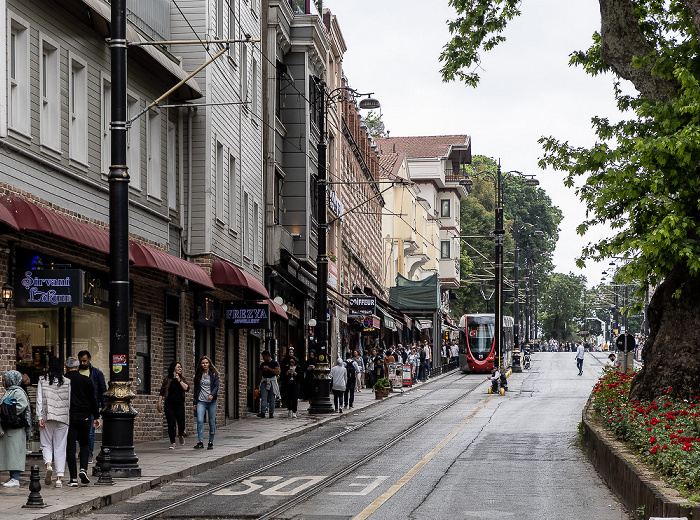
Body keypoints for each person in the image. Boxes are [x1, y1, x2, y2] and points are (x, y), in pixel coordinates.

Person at [64, 357, 100, 486]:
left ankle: (73, 478)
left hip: (69, 417)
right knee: (84, 444)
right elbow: (92, 399)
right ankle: (83, 469)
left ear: (66, 368)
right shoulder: (86, 380)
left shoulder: (63, 381)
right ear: (78, 367)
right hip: (85, 415)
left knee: (70, 447)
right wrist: (96, 416)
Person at [36, 356, 71, 487]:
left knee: (46, 444)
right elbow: (68, 401)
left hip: (48, 416)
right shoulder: (67, 381)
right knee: (60, 447)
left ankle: (49, 464)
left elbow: (40, 400)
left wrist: (40, 417)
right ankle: (59, 479)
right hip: (62, 418)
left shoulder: (42, 380)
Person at [0, 370, 31, 487]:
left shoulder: (18, 392)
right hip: (10, 427)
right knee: (10, 453)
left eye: (4, 380)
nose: (3, 382)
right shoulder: (9, 392)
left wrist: (6, 411)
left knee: (15, 453)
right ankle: (12, 477)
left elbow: (21, 406)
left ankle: (16, 478)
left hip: (16, 428)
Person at [77, 350, 107, 464]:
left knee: (90, 431)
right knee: (79, 431)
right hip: (78, 406)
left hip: (90, 405)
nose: (82, 363)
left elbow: (102, 391)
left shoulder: (96, 373)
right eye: (80, 361)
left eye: (84, 360)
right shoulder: (77, 371)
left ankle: (88, 452)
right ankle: (83, 450)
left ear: (89, 359)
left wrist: (103, 408)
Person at [158, 361, 189, 449]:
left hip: (179, 404)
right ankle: (173, 443)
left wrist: (179, 380)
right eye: (178, 367)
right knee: (171, 423)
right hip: (169, 404)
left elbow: (187, 388)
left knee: (181, 423)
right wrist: (159, 403)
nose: (180, 369)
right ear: (173, 368)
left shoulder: (183, 379)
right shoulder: (167, 379)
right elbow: (162, 392)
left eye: (181, 367)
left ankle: (180, 435)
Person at [193, 356, 220, 449]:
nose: (205, 364)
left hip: (212, 402)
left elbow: (216, 386)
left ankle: (210, 442)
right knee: (200, 421)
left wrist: (212, 394)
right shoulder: (198, 375)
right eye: (203, 363)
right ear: (200, 364)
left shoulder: (213, 374)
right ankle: (200, 441)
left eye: (206, 363)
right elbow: (196, 389)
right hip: (201, 401)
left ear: (209, 364)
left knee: (211, 422)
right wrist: (195, 402)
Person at [257, 351, 280, 419]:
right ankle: (263, 412)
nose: (263, 358)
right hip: (264, 381)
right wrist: (259, 384)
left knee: (272, 398)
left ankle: (271, 413)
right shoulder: (262, 364)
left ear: (267, 356)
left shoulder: (275, 363)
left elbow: (278, 372)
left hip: (272, 381)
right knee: (264, 397)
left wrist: (269, 369)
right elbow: (260, 373)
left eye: (263, 357)